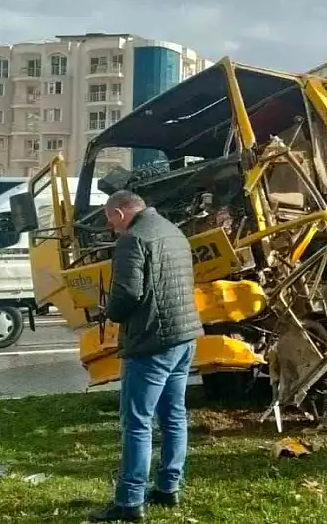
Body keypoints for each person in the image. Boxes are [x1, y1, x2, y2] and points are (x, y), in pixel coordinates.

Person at [90, 190, 205, 523]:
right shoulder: (175, 232)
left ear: (121, 213)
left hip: (152, 341)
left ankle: (130, 501)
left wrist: (109, 312)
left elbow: (127, 293)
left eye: (111, 219)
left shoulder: (132, 240)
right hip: (185, 337)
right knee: (174, 415)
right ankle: (169, 488)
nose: (111, 228)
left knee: (137, 422)